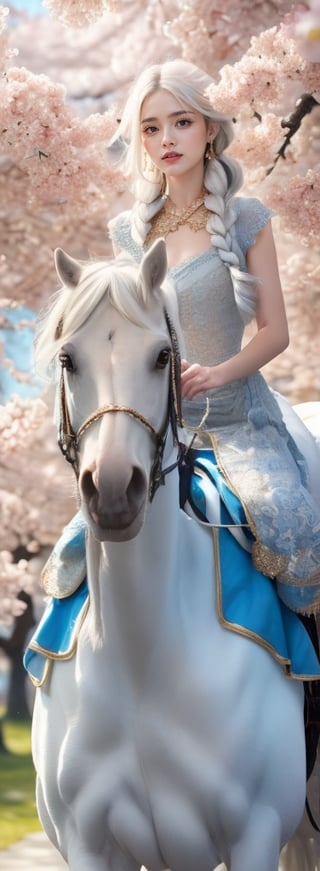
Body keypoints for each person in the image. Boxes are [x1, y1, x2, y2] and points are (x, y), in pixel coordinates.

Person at [41, 60, 320, 680]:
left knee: (288, 530)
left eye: (181, 122)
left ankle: (308, 695)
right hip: (157, 425)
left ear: (209, 130)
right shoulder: (128, 232)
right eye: (149, 128)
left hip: (238, 422)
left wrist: (220, 373)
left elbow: (277, 331)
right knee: (75, 552)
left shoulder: (247, 220)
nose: (166, 139)